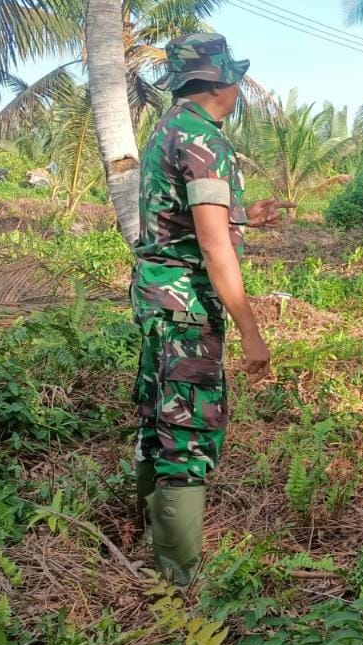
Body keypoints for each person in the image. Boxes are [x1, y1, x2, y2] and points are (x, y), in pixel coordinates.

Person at [131, 33, 292, 585]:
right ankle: (178, 578)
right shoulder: (204, 140)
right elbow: (211, 244)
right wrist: (251, 330)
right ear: (222, 82)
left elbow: (187, 215)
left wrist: (242, 212)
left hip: (157, 301)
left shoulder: (168, 131)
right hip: (187, 308)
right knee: (188, 427)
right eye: (236, 79)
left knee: (157, 417)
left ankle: (151, 543)